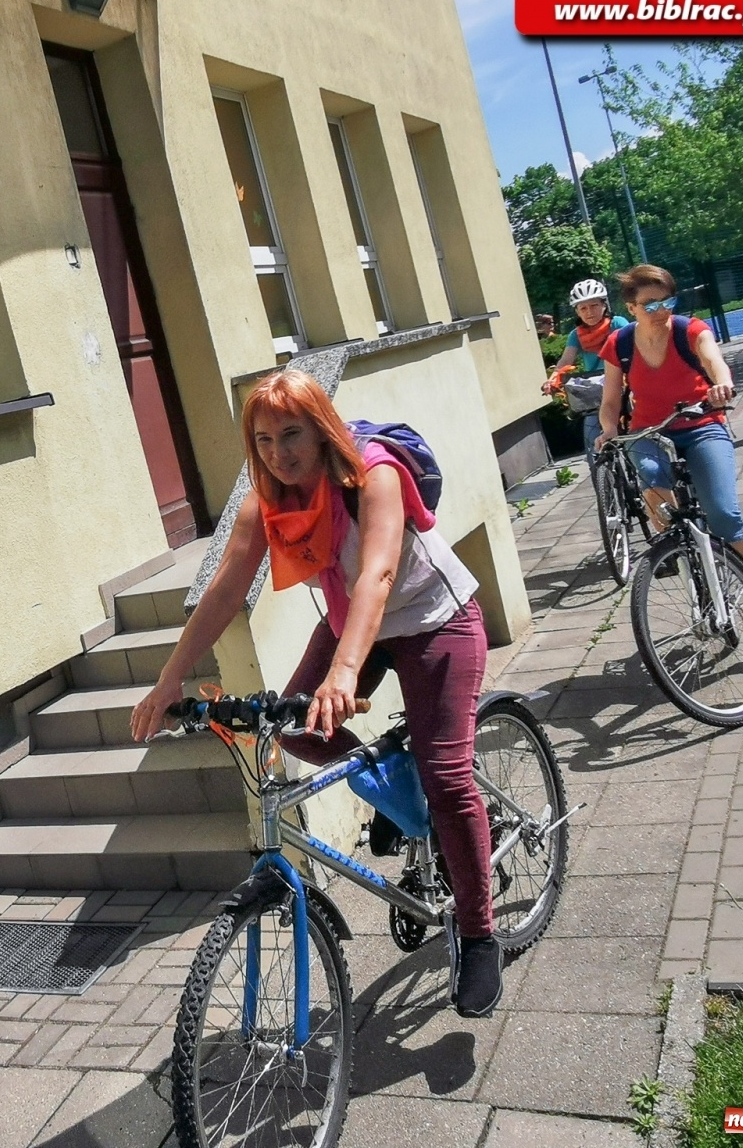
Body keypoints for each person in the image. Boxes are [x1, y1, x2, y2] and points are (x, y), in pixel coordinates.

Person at [127, 371, 503, 1018]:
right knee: (294, 728)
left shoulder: (372, 475)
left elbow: (379, 575)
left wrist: (344, 672)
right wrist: (169, 679)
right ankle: (393, 787)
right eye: (264, 439)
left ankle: (478, 932)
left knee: (447, 776)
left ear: (322, 427)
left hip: (434, 619)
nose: (280, 453)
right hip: (352, 629)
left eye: (292, 434)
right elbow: (223, 592)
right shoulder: (267, 499)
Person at [593, 264, 743, 581]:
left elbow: (715, 361)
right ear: (631, 308)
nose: (661, 311)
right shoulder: (620, 344)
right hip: (649, 433)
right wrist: (609, 429)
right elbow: (611, 401)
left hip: (702, 425)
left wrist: (722, 384)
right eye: (650, 305)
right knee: (654, 482)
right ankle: (677, 547)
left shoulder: (691, 331)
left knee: (724, 514)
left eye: (667, 302)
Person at [543, 278, 631, 464]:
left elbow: (633, 349)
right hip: (595, 391)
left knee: (634, 433)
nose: (589, 312)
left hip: (623, 385)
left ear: (604, 305)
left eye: (594, 305)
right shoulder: (576, 334)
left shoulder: (617, 323)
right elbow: (566, 359)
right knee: (592, 441)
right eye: (583, 308)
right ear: (577, 311)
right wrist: (552, 379)